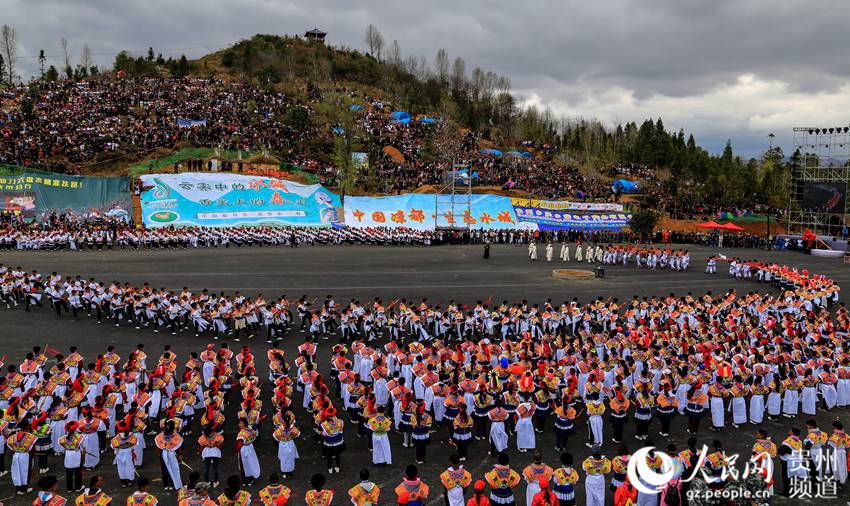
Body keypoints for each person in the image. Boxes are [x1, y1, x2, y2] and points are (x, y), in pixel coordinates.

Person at [154, 420, 183, 491]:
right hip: (172, 454)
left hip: (163, 454)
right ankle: (173, 484)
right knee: (174, 469)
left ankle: (165, 485)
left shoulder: (160, 436)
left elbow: (158, 447)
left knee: (164, 469)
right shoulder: (176, 436)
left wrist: (160, 454)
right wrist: (180, 455)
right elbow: (178, 447)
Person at [8, 427, 36, 495]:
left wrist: (15, 451)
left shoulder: (13, 436)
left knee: (16, 472)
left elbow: (10, 446)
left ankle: (18, 489)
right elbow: (32, 449)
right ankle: (24, 489)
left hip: (16, 455)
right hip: (25, 455)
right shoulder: (30, 436)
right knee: (26, 472)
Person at [59, 421, 84, 493]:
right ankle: (78, 487)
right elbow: (83, 447)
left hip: (68, 454)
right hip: (76, 454)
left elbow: (61, 444)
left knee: (68, 472)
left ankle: (69, 488)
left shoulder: (63, 438)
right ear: (75, 429)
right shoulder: (79, 437)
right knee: (77, 472)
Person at [111, 421, 138, 487]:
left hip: (120, 452)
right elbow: (135, 444)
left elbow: (112, 446)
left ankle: (123, 482)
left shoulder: (117, 437)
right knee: (129, 466)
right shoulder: (132, 435)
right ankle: (130, 481)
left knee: (121, 467)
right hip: (128, 452)